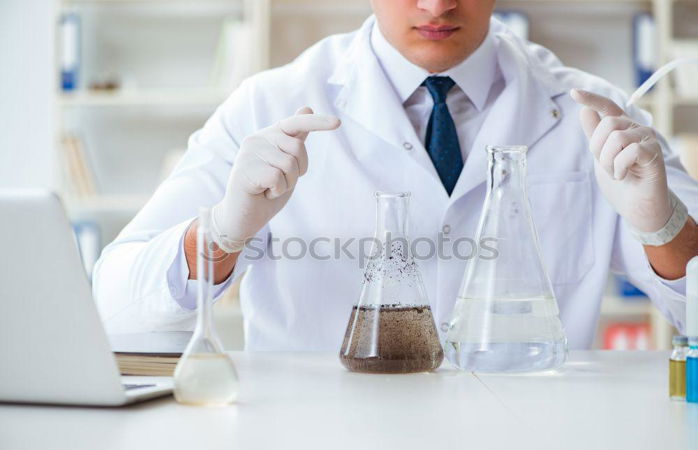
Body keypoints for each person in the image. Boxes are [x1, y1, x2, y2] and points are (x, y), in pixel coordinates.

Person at [93, 0, 698, 350]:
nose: (437, 6)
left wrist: (661, 223)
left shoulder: (596, 110)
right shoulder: (268, 103)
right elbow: (117, 306)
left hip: (524, 447)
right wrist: (221, 233)